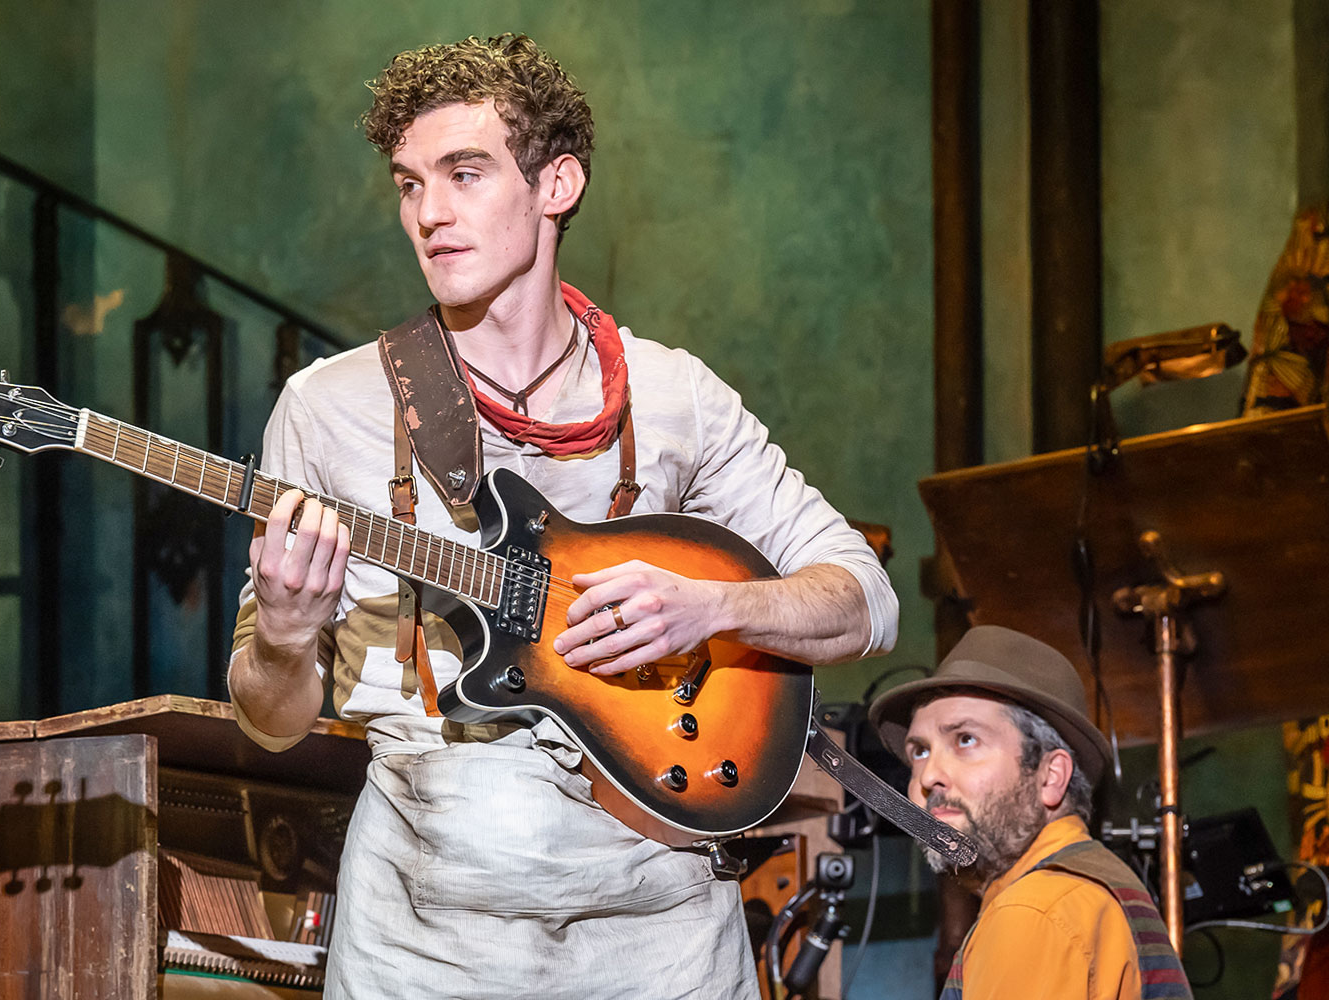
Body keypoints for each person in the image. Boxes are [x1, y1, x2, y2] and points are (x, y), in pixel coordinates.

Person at [228, 34, 898, 999]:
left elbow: (865, 599)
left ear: (557, 185)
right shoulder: (328, 408)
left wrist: (711, 611)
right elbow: (270, 722)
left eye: (465, 173)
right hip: (423, 938)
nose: (429, 214)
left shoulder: (676, 397)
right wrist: (286, 639)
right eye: (410, 184)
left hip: (664, 940)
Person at [868, 625, 1193, 1000]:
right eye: (919, 751)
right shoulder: (1082, 890)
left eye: (966, 739)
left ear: (1050, 776)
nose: (928, 776)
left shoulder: (1036, 910)